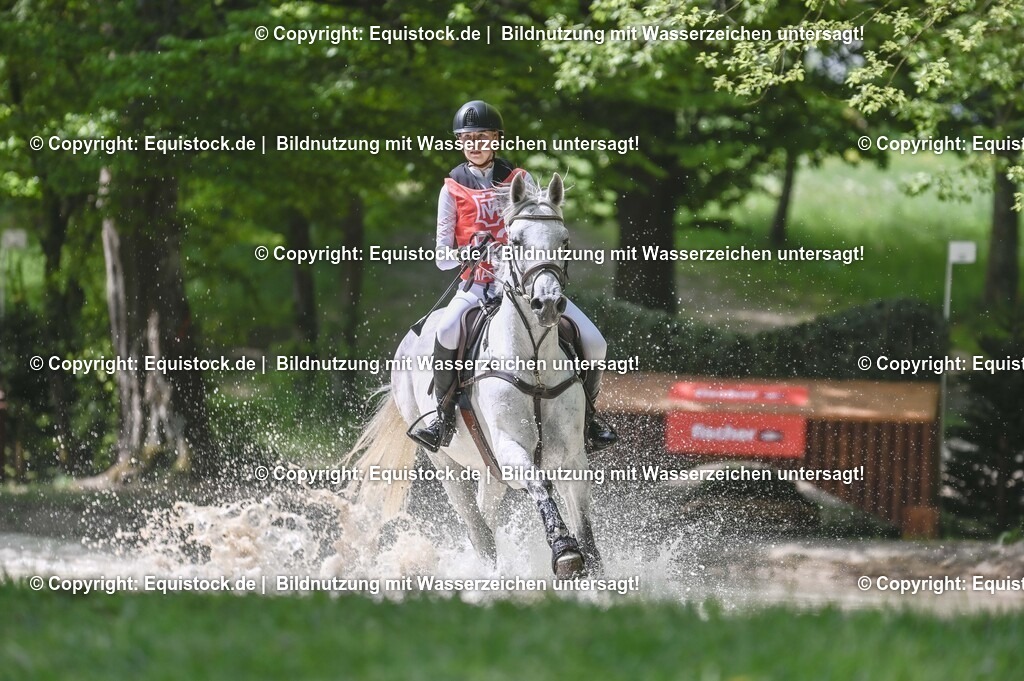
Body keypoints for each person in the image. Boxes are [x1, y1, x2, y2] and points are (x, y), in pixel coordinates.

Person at [409, 100, 618, 453]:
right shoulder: (452, 189)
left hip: (525, 289)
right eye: (467, 138)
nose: (474, 144)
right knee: (445, 329)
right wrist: (468, 254)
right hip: (477, 286)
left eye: (483, 136)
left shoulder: (518, 181)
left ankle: (590, 420)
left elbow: (540, 231)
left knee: (595, 341)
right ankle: (441, 418)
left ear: (497, 138)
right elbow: (442, 258)